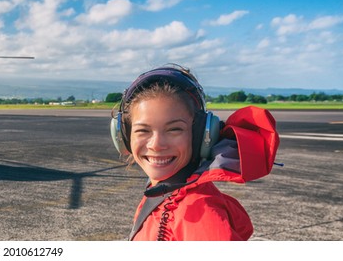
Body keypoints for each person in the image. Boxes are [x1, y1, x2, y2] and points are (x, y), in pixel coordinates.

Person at [111, 65, 279, 241]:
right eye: (143, 131)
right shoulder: (161, 193)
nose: (157, 144)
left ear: (201, 136)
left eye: (174, 129)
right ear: (124, 136)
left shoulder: (199, 210)